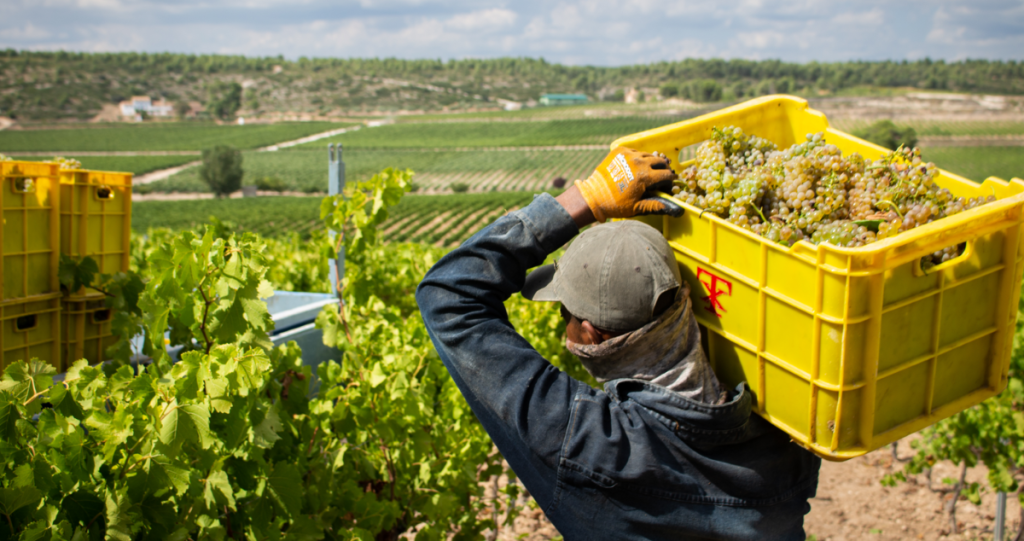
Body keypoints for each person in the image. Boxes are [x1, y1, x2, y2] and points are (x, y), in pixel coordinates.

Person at [416, 147, 821, 541]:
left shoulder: (590, 442)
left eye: (565, 315)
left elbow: (447, 294)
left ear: (592, 335)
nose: (564, 328)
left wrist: (587, 198)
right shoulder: (781, 438)